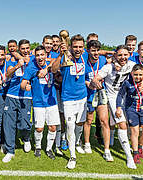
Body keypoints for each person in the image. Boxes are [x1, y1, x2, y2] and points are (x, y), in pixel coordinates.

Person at [91, 45, 138, 169]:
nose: (123, 57)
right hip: (113, 99)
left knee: (130, 125)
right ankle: (129, 157)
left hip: (128, 98)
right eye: (120, 55)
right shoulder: (108, 67)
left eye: (125, 55)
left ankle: (127, 145)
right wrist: (97, 83)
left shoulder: (132, 65)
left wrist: (142, 85)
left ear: (129, 55)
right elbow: (96, 78)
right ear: (115, 55)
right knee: (122, 124)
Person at [52, 34, 87, 169]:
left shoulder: (86, 58)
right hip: (68, 98)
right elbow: (54, 69)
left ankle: (76, 143)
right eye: (75, 46)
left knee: (80, 123)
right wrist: (60, 55)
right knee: (70, 125)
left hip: (82, 98)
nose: (78, 49)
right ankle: (72, 156)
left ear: (83, 48)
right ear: (71, 47)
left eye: (80, 47)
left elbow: (100, 53)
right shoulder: (66, 57)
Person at [21, 45, 60, 160]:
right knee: (39, 128)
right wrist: (25, 86)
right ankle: (38, 147)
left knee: (52, 127)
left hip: (52, 101)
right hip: (38, 102)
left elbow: (56, 63)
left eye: (42, 54)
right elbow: (23, 83)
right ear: (35, 56)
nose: (40, 57)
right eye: (37, 55)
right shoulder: (31, 68)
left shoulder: (51, 65)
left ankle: (48, 148)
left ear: (45, 55)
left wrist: (47, 68)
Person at [116, 64, 143, 165]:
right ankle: (135, 154)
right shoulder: (127, 83)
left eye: (140, 75)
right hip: (131, 109)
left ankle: (140, 146)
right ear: (132, 74)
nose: (138, 77)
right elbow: (120, 95)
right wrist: (118, 107)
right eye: (136, 75)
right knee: (134, 132)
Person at [2, 39, 33, 163]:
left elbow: (28, 61)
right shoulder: (11, 60)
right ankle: (10, 151)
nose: (25, 50)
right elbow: (8, 74)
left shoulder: (32, 60)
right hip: (12, 96)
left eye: (27, 48)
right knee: (9, 124)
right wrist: (17, 66)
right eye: (23, 48)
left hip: (26, 96)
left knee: (25, 123)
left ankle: (26, 139)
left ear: (29, 49)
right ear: (19, 49)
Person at [84, 40, 113, 162]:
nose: (95, 53)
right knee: (88, 120)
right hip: (89, 95)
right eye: (93, 50)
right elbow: (82, 79)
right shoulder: (83, 61)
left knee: (104, 121)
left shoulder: (103, 60)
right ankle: (87, 143)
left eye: (97, 50)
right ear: (88, 50)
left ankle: (106, 150)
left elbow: (117, 55)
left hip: (101, 94)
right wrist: (90, 83)